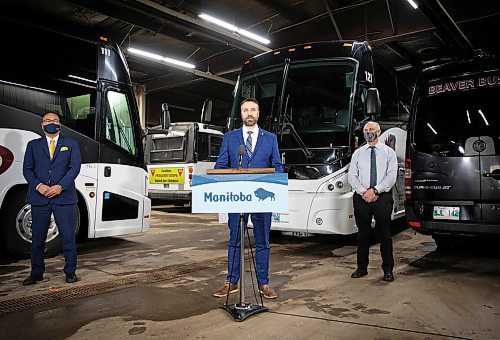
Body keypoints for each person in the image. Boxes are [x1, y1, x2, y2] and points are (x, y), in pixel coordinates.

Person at [213, 98, 283, 299]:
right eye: (245, 110)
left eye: (253, 110)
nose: (249, 113)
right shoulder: (230, 138)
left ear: (258, 113)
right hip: (237, 197)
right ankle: (231, 281)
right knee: (235, 240)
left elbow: (277, 166)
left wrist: (274, 182)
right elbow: (220, 166)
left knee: (263, 241)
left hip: (262, 197)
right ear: (241, 114)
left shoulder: (270, 138)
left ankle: (264, 283)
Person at [22, 112, 82, 285]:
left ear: (59, 125)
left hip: (64, 197)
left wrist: (60, 186)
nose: (51, 123)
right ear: (42, 125)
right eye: (47, 121)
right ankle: (36, 273)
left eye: (54, 121)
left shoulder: (71, 144)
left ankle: (70, 272)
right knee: (37, 239)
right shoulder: (32, 145)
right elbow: (28, 169)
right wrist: (39, 186)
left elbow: (74, 168)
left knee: (68, 237)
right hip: (39, 198)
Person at [347, 121, 397, 282]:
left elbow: (391, 177)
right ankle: (362, 268)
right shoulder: (358, 153)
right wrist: (365, 192)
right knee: (363, 235)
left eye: (371, 130)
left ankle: (388, 269)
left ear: (378, 131)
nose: (369, 133)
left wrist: (375, 190)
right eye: (366, 130)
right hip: (362, 197)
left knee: (385, 234)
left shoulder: (389, 153)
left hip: (382, 197)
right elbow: (352, 176)